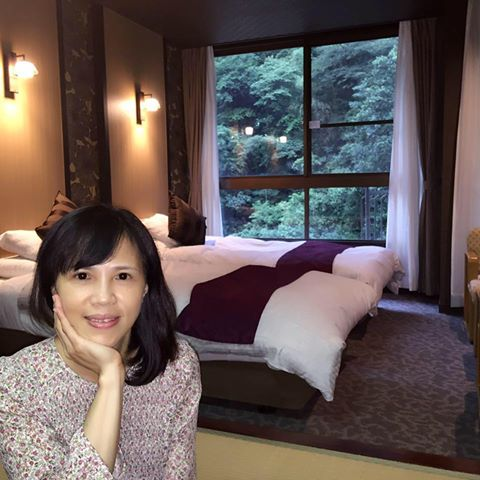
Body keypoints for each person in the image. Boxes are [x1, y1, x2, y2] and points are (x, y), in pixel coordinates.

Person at [0, 204, 201, 479]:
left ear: (145, 286)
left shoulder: (177, 364)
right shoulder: (14, 384)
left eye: (122, 276)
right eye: (82, 276)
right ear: (53, 286)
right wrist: (110, 379)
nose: (104, 298)